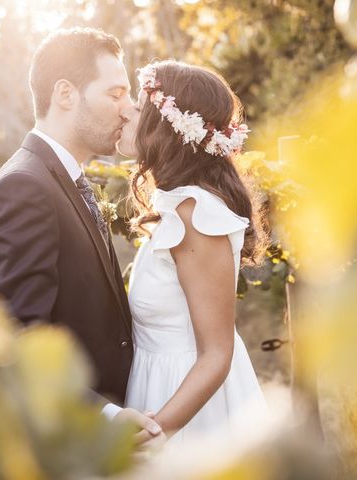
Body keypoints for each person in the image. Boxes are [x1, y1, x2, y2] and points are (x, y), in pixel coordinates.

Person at [0, 27, 162, 444]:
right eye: (115, 94)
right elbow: (14, 342)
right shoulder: (24, 187)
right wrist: (107, 418)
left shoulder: (62, 177)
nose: (128, 108)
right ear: (65, 94)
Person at [117, 60, 269, 443]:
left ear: (164, 125)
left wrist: (157, 431)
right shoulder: (174, 203)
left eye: (139, 105)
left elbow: (217, 353)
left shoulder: (197, 214)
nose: (127, 112)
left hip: (189, 410)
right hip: (156, 386)